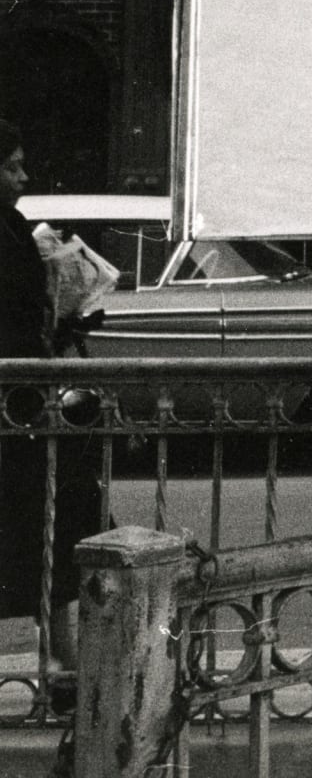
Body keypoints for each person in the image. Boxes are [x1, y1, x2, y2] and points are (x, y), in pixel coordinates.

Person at [0, 121, 102, 690]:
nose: (23, 177)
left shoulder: (13, 228)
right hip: (13, 402)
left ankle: (63, 660)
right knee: (41, 527)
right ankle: (61, 662)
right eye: (11, 166)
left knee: (53, 527)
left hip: (25, 403)